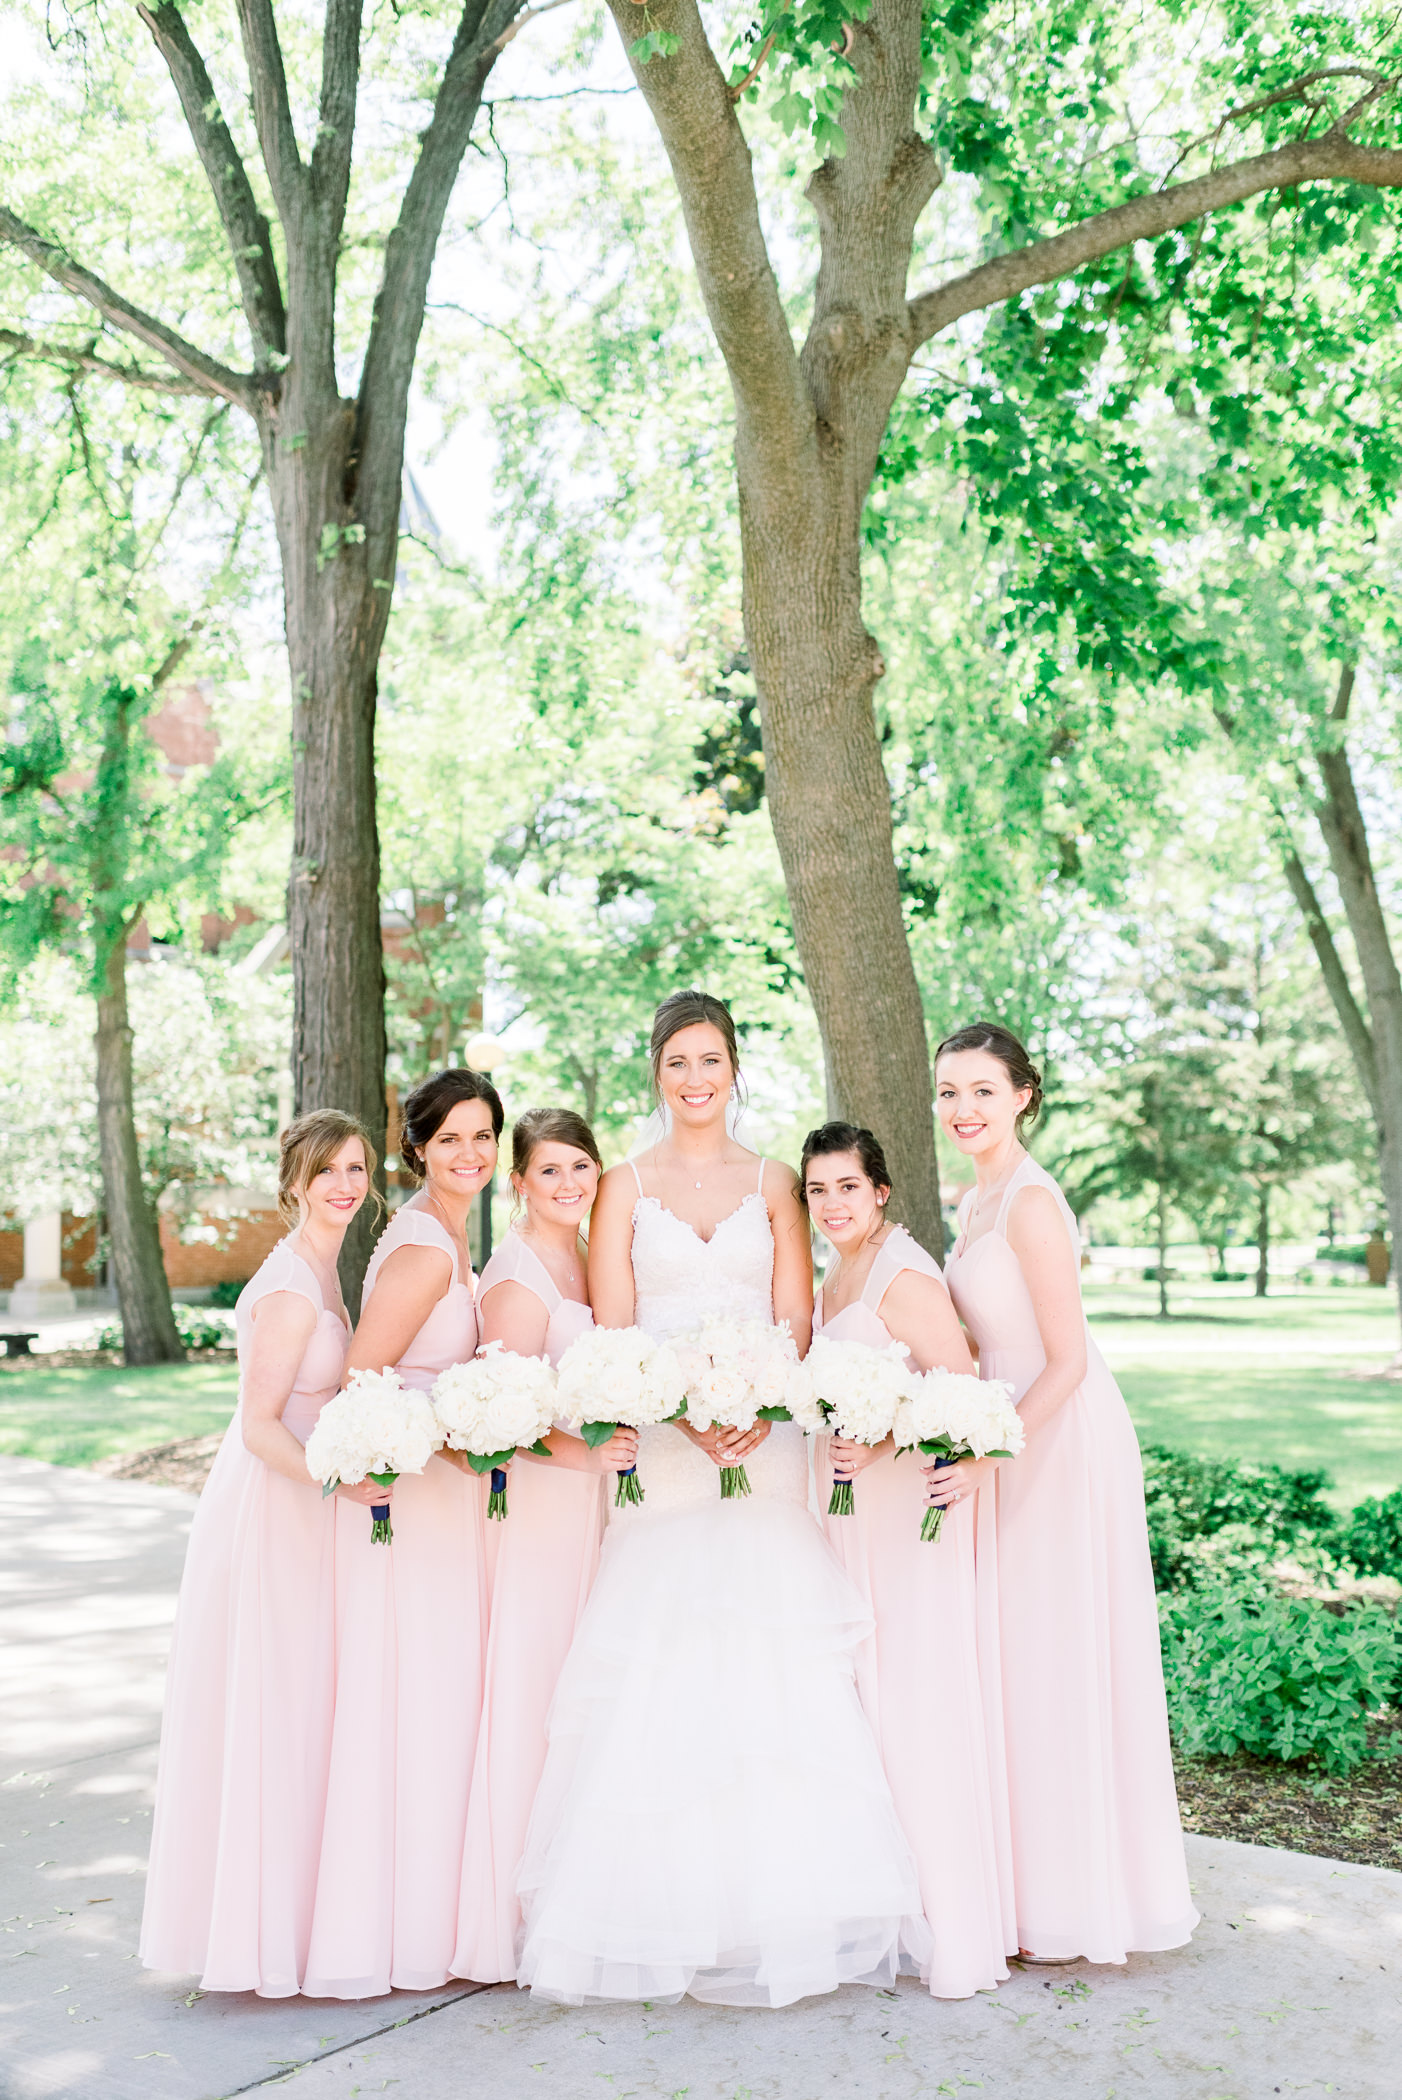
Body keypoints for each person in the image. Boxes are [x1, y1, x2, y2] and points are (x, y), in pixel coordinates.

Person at [515, 991, 928, 2007]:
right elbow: (615, 1326)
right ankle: (657, 1913)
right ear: (654, 1073)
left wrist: (757, 1398)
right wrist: (681, 1408)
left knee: (770, 1653)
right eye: (676, 1063)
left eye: (710, 1061)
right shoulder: (620, 1186)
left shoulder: (774, 1178)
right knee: (666, 1657)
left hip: (766, 1440)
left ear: (734, 1067)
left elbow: (793, 1311)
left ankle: (780, 1911)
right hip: (664, 1450)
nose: (693, 1079)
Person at [935, 1023, 1197, 1965]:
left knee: (1057, 1656)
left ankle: (1079, 1900)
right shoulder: (975, 1199)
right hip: (1003, 1424)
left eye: (982, 1091)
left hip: (1054, 1432)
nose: (963, 1109)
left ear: (1023, 1096)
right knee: (1015, 1658)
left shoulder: (1032, 1204)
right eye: (949, 1092)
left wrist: (986, 1455)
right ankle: (1022, 1890)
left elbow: (1069, 1359)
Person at [140, 1111, 377, 1996]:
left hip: (312, 1502)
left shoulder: (326, 1265)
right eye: (328, 1172)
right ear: (294, 1181)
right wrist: (340, 1480)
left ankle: (301, 1919)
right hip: (281, 1507)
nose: (345, 1186)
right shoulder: (288, 1285)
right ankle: (259, 1933)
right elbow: (258, 1427)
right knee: (278, 1707)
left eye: (356, 1168)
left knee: (306, 1707)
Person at [804, 1122, 1015, 1998]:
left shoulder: (903, 1271)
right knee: (872, 1706)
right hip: (853, 1521)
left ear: (881, 1191)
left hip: (905, 1518)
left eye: (847, 1187)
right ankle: (893, 1916)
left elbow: (959, 1386)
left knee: (918, 1704)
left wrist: (883, 1445)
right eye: (818, 1191)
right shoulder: (836, 1275)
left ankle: (955, 1929)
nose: (832, 1204)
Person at [303, 1067, 501, 1999]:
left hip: (443, 1502)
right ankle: (403, 1931)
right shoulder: (425, 1246)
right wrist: (459, 1437)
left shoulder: (446, 1235)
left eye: (483, 1136)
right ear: (418, 1148)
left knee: (433, 1706)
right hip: (415, 1506)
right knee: (416, 1706)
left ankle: (424, 1917)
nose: (470, 1154)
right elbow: (365, 1376)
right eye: (450, 1138)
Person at [454, 1108, 636, 1983]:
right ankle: (509, 1915)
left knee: (580, 1690)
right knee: (534, 1692)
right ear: (518, 1181)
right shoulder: (519, 1275)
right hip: (540, 1508)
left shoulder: (585, 1251)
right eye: (550, 1171)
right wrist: (586, 1452)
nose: (569, 1184)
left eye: (581, 1168)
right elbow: (495, 1420)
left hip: (591, 1507)